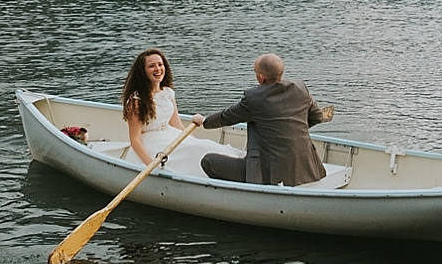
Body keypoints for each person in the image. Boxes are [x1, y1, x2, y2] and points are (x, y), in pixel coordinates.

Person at [192, 53, 331, 186]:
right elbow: (317, 116)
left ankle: (246, 192)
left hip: (267, 174)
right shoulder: (299, 88)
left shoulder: (254, 98)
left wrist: (204, 121)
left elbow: (226, 117)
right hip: (308, 169)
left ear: (261, 77)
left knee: (208, 161)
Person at [121, 48, 244, 176]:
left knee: (204, 146)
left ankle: (240, 168)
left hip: (170, 135)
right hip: (151, 144)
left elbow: (177, 125)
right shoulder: (136, 100)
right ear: (143, 72)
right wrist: (151, 164)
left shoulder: (167, 93)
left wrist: (196, 141)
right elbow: (135, 140)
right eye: (152, 66)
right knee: (195, 150)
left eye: (160, 64)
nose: (158, 69)